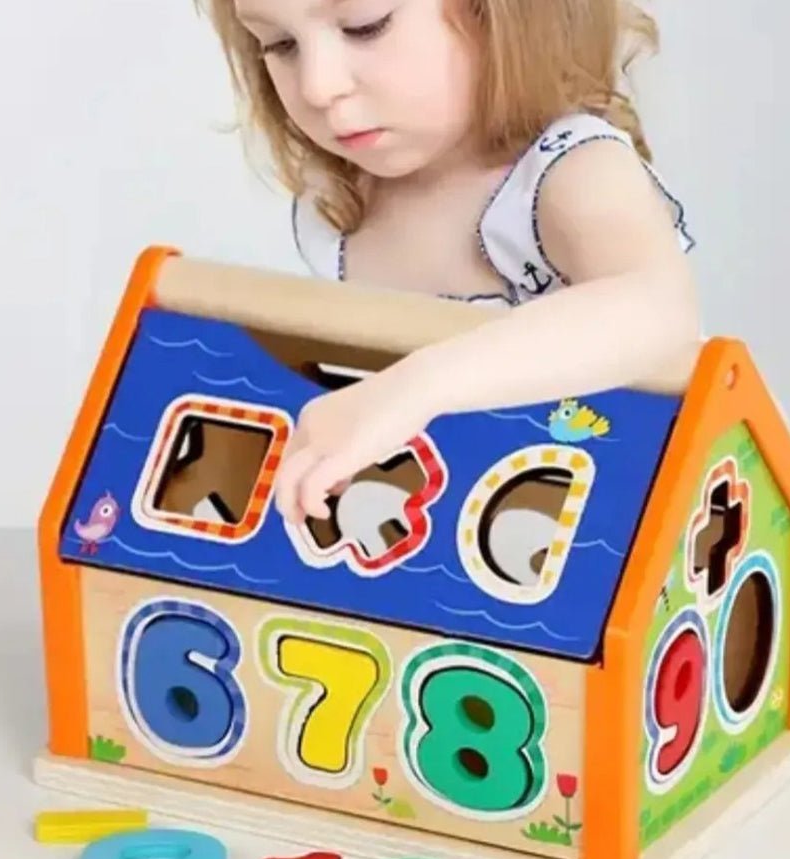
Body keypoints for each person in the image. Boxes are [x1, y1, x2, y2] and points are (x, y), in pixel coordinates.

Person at [195, 0, 701, 526]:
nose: (318, 87)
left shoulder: (570, 171)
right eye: (280, 44)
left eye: (366, 26)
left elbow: (658, 308)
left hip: (615, 526)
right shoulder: (339, 201)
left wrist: (415, 389)